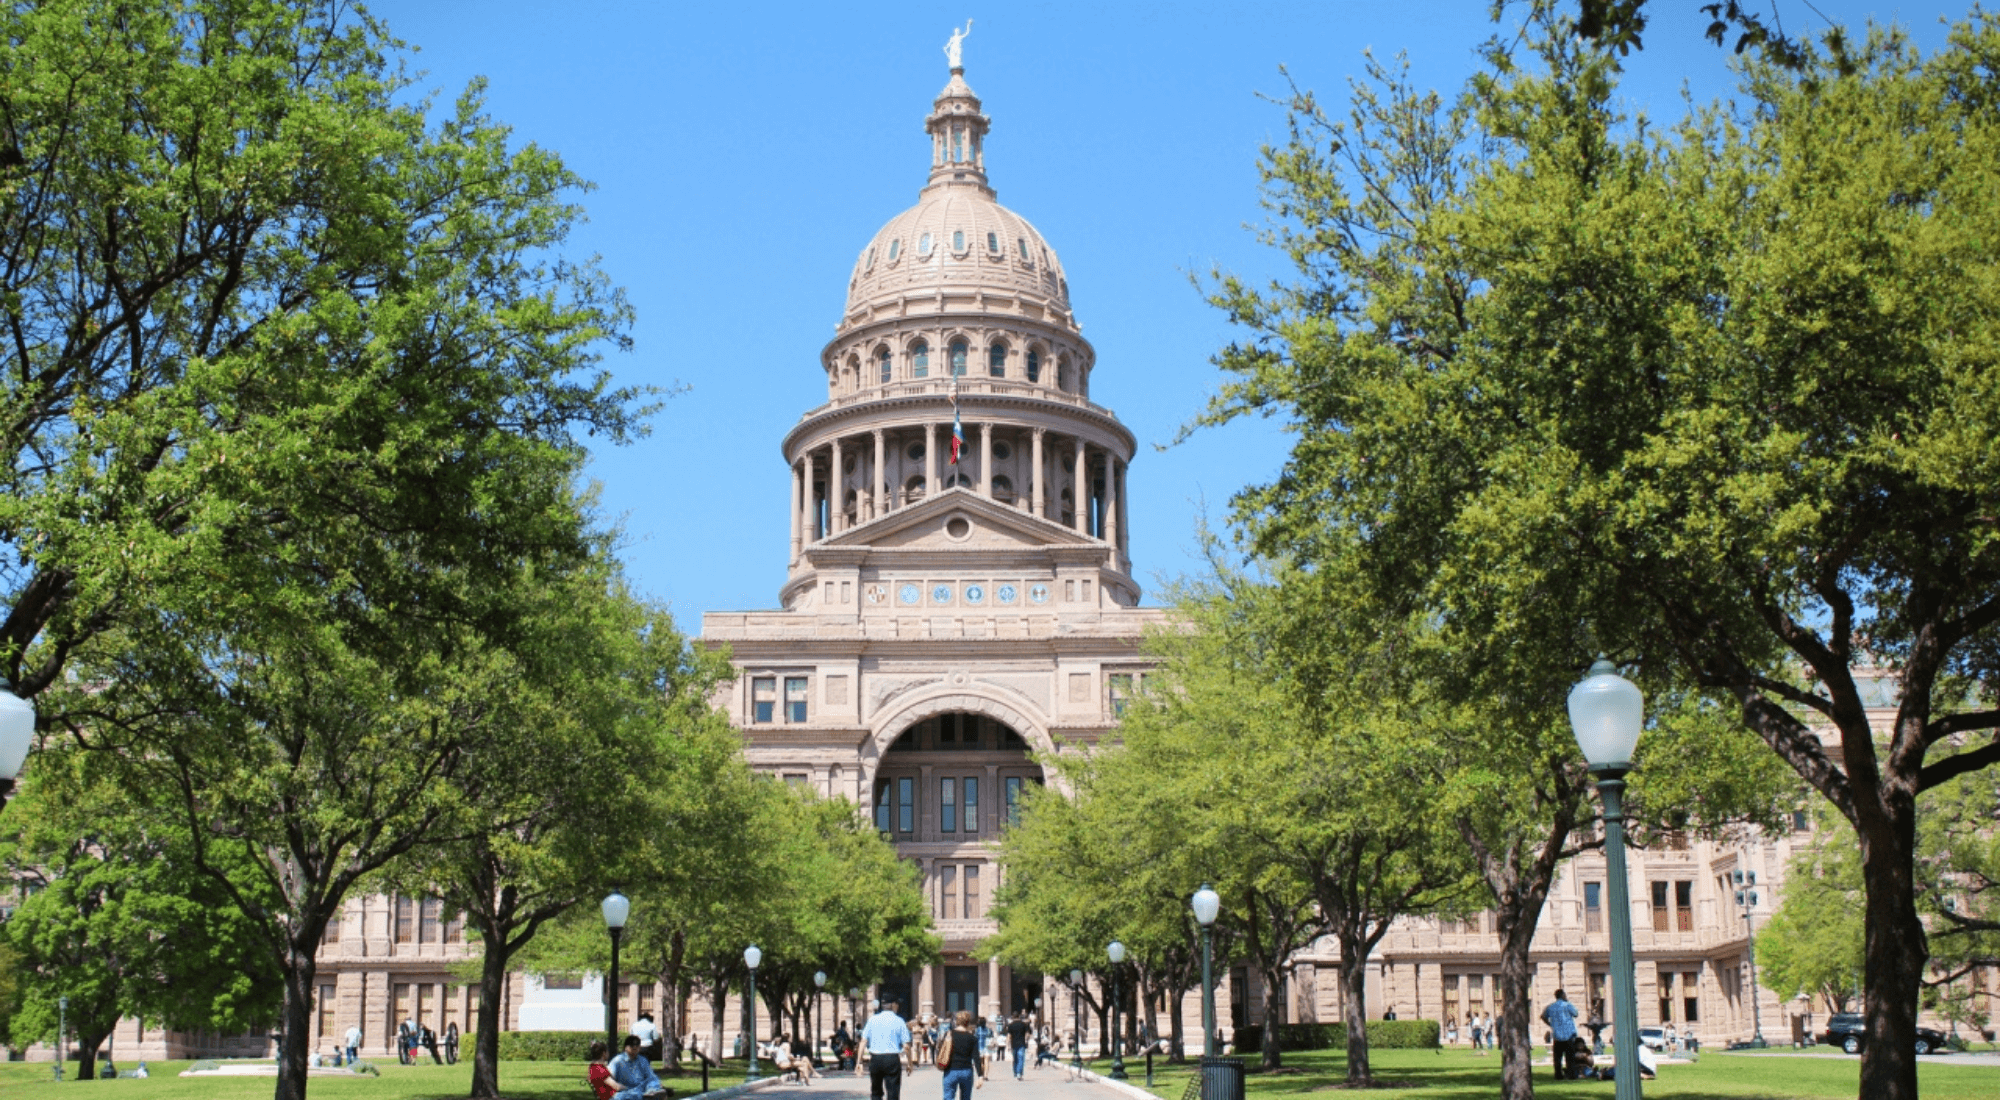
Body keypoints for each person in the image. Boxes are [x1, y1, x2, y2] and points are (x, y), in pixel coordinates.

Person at [863, 998, 912, 1100]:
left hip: (875, 1059)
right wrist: (910, 1063)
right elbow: (906, 1046)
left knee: (876, 1092)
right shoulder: (899, 1021)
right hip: (892, 1059)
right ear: (893, 1005)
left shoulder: (872, 1020)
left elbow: (863, 1041)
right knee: (893, 1092)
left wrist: (858, 1061)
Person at [938, 1010, 985, 1100]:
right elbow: (976, 1058)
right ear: (968, 1022)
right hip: (966, 1071)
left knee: (948, 1097)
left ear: (956, 1021)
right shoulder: (972, 1038)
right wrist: (980, 1075)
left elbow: (942, 1050)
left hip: (950, 1070)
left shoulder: (948, 1034)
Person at [1541, 989, 1580, 1080]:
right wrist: (1568, 1002)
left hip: (1557, 1036)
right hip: (1568, 1035)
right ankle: (1571, 1075)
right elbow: (1576, 1014)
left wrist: (1550, 1024)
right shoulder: (1567, 1005)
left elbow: (1543, 1016)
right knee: (1570, 1057)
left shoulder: (1550, 1006)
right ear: (1563, 995)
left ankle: (1558, 1075)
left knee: (1557, 1058)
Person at [1006, 1012, 1032, 1080]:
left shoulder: (1010, 1025)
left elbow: (1009, 1036)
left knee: (1015, 1059)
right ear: (1019, 1017)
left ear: (1013, 1017)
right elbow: (1027, 1034)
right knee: (1021, 1059)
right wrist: (1026, 1040)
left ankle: (1015, 1072)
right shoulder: (1023, 1024)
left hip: (1013, 1044)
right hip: (1021, 1044)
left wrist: (1007, 1045)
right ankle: (1019, 1074)